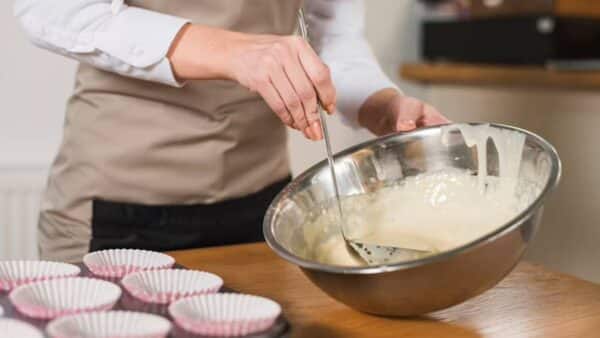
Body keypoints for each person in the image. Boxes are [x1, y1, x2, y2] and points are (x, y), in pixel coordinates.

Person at [14, 0, 449, 262]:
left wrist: (381, 105)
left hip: (263, 209)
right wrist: (237, 52)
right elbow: (54, 9)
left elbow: (329, 30)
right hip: (117, 214)